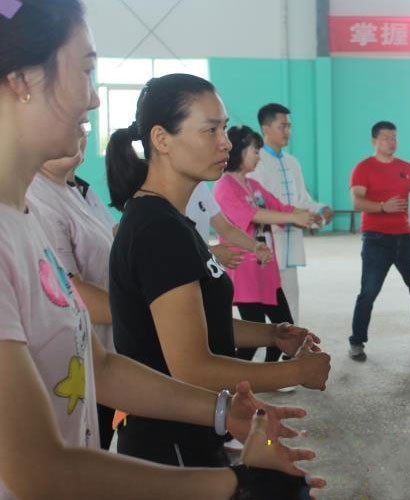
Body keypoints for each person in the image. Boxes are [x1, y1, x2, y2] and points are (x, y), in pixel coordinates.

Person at [0, 1, 323, 497]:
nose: (94, 101)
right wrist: (234, 486)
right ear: (22, 79)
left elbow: (98, 365)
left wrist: (222, 411)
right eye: (86, 71)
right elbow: (39, 470)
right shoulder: (142, 226)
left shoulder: (25, 219)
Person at [106, 73, 331, 467]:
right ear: (161, 139)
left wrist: (272, 334)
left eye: (224, 128)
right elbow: (192, 366)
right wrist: (293, 372)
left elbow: (200, 323)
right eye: (210, 130)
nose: (225, 142)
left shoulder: (172, 221)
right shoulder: (158, 229)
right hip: (167, 439)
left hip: (192, 426)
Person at [27, 140, 118, 450]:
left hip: (97, 356)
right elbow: (74, 294)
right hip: (72, 367)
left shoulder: (76, 192)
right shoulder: (35, 200)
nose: (79, 134)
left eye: (83, 125)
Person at [214, 125, 316, 363]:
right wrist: (293, 217)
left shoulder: (252, 185)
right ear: (239, 151)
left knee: (286, 328)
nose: (259, 157)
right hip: (245, 271)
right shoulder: (224, 187)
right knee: (253, 336)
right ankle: (233, 380)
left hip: (266, 269)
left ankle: (272, 372)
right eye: (255, 151)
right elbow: (254, 214)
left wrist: (308, 214)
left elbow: (280, 207)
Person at [349, 121, 410, 361]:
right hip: (376, 239)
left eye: (394, 137)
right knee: (368, 292)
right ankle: (357, 343)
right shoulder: (364, 168)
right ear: (374, 141)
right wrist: (382, 207)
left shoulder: (406, 167)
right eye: (385, 137)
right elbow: (357, 202)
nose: (391, 142)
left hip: (405, 237)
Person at [250, 103, 331, 322]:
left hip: (290, 247)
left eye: (289, 126)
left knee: (291, 302)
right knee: (263, 305)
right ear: (266, 128)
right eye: (282, 126)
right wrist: (292, 218)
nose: (288, 131)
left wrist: (320, 209)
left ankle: (291, 352)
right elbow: (257, 207)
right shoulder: (257, 163)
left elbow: (302, 199)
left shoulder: (292, 162)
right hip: (266, 244)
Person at [186, 181, 273, 270]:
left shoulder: (200, 186)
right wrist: (210, 252)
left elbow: (226, 229)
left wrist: (255, 246)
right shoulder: (224, 185)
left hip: (199, 271)